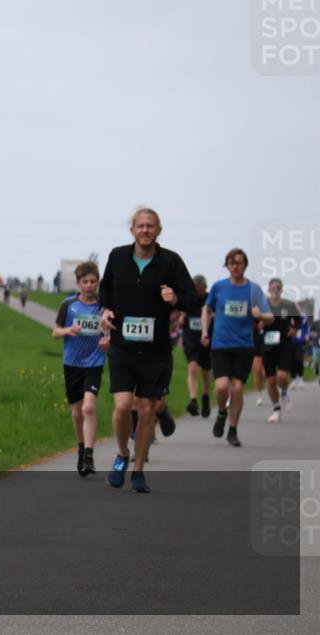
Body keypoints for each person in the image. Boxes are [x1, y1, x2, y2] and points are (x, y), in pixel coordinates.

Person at [99, 207, 199, 493]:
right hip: (122, 347)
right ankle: (122, 454)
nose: (145, 230)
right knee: (122, 408)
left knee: (146, 411)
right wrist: (105, 311)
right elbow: (105, 292)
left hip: (155, 351)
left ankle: (139, 471)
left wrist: (175, 298)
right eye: (140, 226)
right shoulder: (118, 257)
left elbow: (193, 301)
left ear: (159, 230)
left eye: (150, 226)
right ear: (132, 230)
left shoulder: (171, 262)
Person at [201, 248, 274, 447]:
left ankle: (232, 430)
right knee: (222, 386)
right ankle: (222, 413)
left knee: (238, 388)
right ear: (227, 265)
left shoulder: (254, 290)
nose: (235, 266)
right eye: (232, 263)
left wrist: (260, 314)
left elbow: (270, 317)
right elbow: (206, 310)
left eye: (239, 263)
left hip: (244, 345)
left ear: (245, 265)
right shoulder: (219, 287)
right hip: (221, 344)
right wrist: (204, 332)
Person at [52, 261, 109, 477]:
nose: (89, 285)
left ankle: (89, 455)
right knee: (77, 413)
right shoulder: (68, 305)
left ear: (98, 282)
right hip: (72, 363)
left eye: (93, 281)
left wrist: (107, 342)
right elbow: (55, 332)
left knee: (88, 408)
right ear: (78, 283)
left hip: (94, 363)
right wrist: (68, 330)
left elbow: (109, 333)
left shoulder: (103, 306)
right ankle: (80, 446)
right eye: (85, 282)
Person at [261, 278, 301, 423]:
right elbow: (254, 322)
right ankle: (276, 410)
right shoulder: (263, 305)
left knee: (282, 377)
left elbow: (298, 321)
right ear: (269, 289)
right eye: (273, 288)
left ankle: (284, 393)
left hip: (284, 345)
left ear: (281, 290)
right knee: (271, 381)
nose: (275, 290)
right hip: (267, 347)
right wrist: (258, 325)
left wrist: (294, 329)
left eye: (278, 288)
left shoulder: (288, 305)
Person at [179, 275, 213, 417]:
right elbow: (182, 312)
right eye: (196, 289)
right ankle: (193, 400)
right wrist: (182, 316)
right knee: (192, 369)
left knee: (205, 373)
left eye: (201, 289)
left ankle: (205, 397)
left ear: (205, 288)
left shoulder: (210, 298)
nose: (198, 292)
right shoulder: (188, 297)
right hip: (191, 338)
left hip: (206, 339)